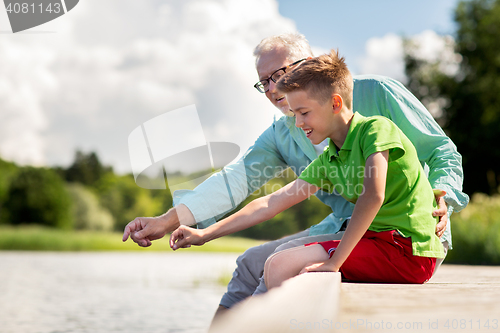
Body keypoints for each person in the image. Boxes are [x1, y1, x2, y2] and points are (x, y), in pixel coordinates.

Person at [122, 33, 468, 315]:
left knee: (277, 268)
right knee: (248, 263)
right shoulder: (285, 133)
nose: (273, 89)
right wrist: (174, 222)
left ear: (310, 66)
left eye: (280, 75)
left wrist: (443, 194)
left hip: (406, 237)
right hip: (343, 230)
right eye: (264, 83)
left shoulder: (375, 99)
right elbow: (242, 184)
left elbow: (440, 151)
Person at [170, 50, 445, 287]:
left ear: (335, 103)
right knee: (277, 261)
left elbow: (373, 196)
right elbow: (271, 203)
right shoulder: (330, 159)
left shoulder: (375, 129)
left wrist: (335, 262)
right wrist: (205, 233)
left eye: (303, 112)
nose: (298, 123)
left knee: (281, 265)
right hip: (376, 244)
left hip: (408, 251)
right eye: (294, 114)